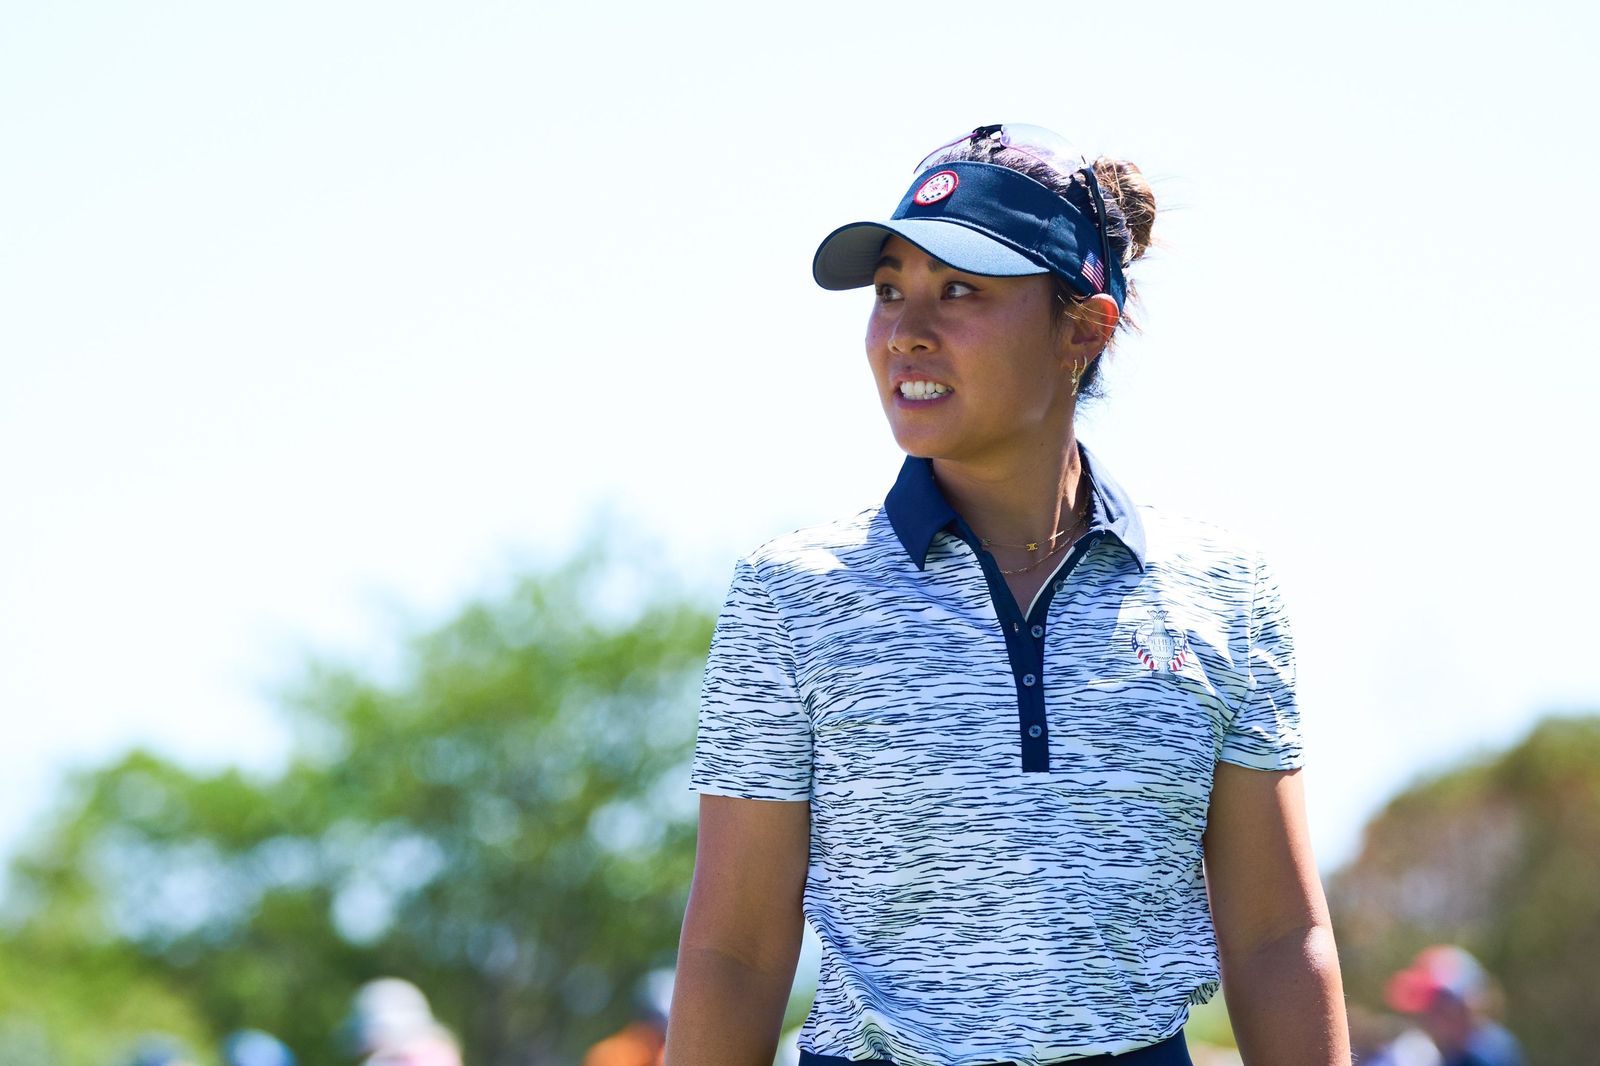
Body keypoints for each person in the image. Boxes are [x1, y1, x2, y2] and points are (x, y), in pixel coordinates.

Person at [666, 123, 1349, 1066]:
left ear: (1083, 329)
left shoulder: (1222, 591)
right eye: (889, 291)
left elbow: (1277, 937)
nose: (906, 331)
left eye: (961, 290)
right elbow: (734, 952)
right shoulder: (793, 596)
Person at [1385, 946, 1523, 1066]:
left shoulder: (1494, 1053)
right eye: (1428, 1008)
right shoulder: (1408, 1055)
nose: (1434, 1020)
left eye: (1443, 1008)